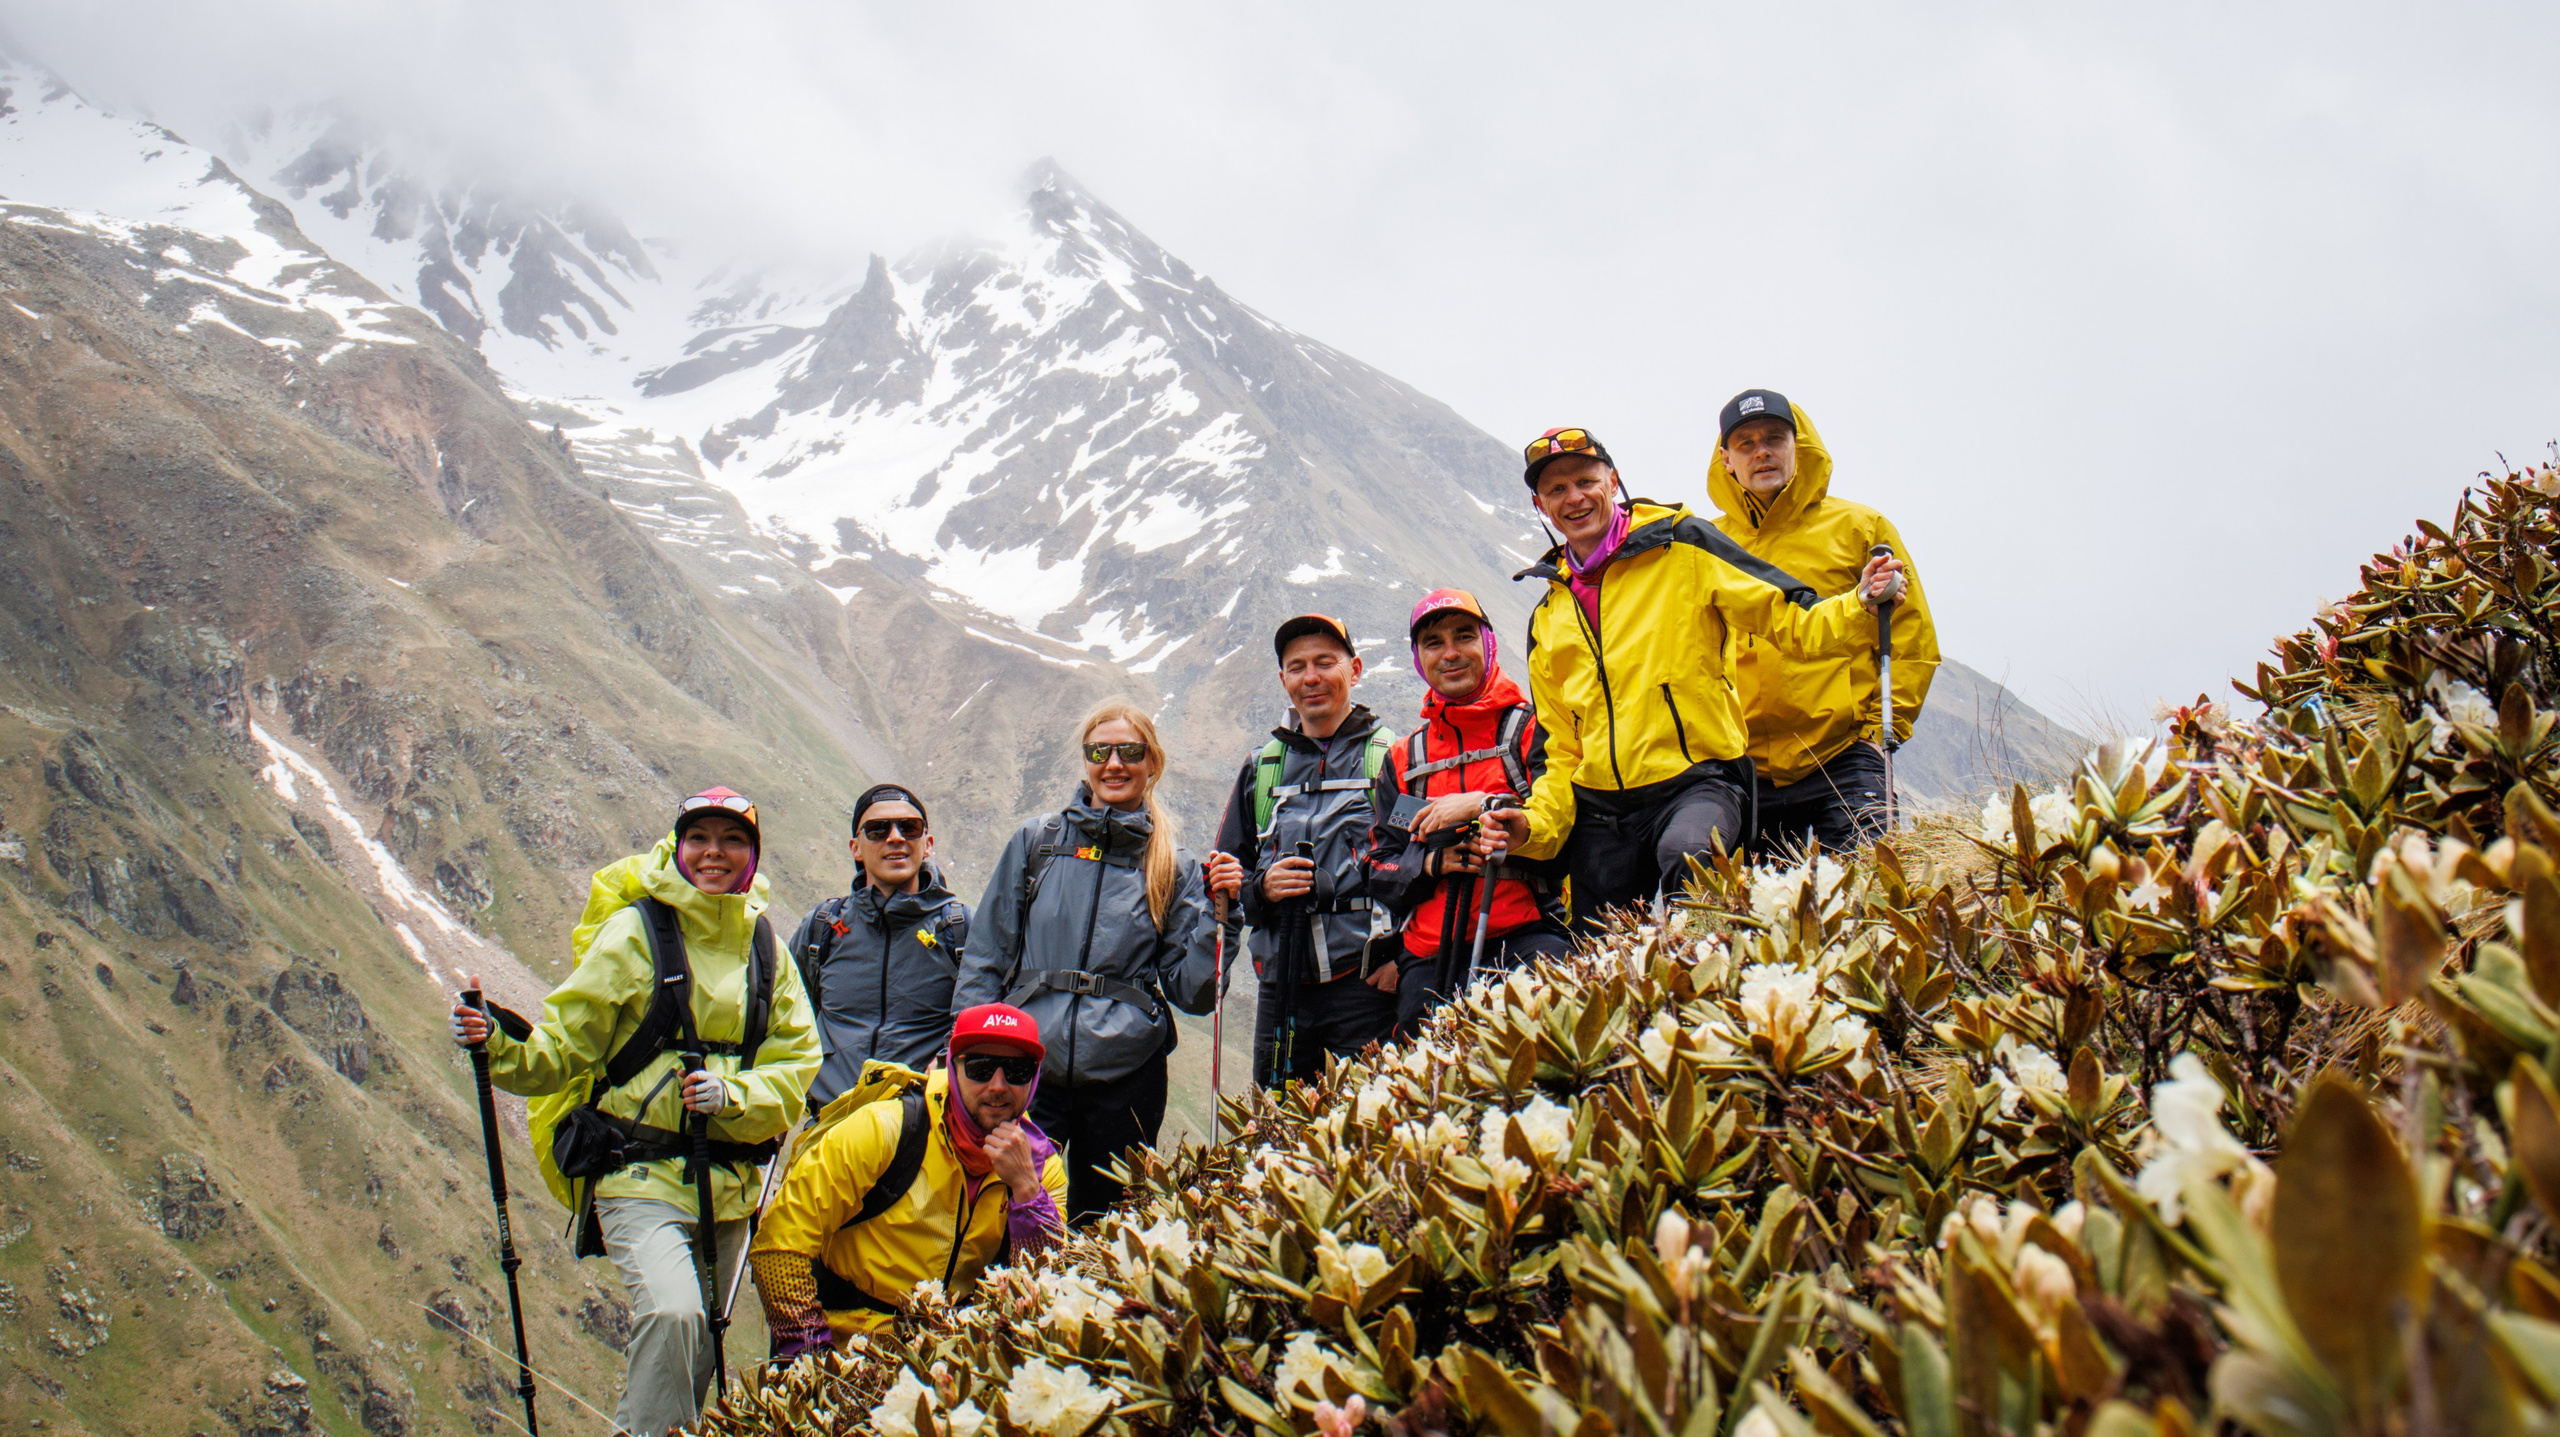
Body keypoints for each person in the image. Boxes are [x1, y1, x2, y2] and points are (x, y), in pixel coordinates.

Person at [449, 788, 817, 1437]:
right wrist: (498, 1045)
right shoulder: (634, 933)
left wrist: (731, 1097)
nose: (714, 852)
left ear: (752, 855)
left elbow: (796, 1063)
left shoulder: (767, 948)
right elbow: (565, 1045)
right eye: (699, 836)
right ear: (678, 845)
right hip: (636, 1176)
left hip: (730, 1187)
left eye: (732, 839)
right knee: (674, 1315)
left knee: (698, 1350)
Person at [1471, 429, 1905, 930]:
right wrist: (1536, 825)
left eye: (1586, 481)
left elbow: (1790, 616)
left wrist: (1860, 604)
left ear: (1613, 482)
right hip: (1601, 808)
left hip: (1699, 781)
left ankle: (1712, 988)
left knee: (1692, 857)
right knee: (1597, 942)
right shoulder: (1549, 613)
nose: (1574, 498)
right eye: (1556, 490)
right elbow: (1561, 750)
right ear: (1540, 504)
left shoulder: (1685, 545)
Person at [952, 702, 1243, 1223]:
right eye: (1099, 751)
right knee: (1002, 1214)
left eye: (1130, 751)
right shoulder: (1037, 841)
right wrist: (967, 1055)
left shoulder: (1173, 865)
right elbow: (987, 954)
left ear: (1152, 762)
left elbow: (1194, 992)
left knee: (1105, 1227)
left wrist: (1223, 920)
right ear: (1084, 761)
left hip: (1127, 1074)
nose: (1114, 763)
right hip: (1024, 1069)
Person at [749, 1004, 1068, 1352]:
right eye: (980, 1067)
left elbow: (1041, 1286)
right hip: (844, 1343)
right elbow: (779, 1243)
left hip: (949, 1357)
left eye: (1018, 1071)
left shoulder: (1040, 1167)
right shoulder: (885, 1127)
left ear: (1034, 1078)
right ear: (953, 1066)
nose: (998, 1085)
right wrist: (811, 1353)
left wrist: (1027, 1192)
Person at [1708, 390, 1939, 855]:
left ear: (1800, 446)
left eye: (1775, 438)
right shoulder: (1708, 543)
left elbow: (1910, 636)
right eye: (1746, 443)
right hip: (1746, 766)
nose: (1762, 451)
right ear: (1727, 459)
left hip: (1844, 752)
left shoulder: (1861, 528)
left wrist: (1879, 733)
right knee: (1759, 919)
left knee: (1874, 890)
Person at [1367, 589, 1571, 1033]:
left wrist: (1487, 807)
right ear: (1420, 659)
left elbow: (1569, 825)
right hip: (1429, 957)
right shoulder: (1403, 759)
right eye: (1434, 643)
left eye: (1464, 636)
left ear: (1489, 644)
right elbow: (1379, 865)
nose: (1451, 653)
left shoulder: (1534, 730)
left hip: (1528, 937)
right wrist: (1433, 863)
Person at [1210, 615, 1400, 1089]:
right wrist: (1262, 888)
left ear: (1353, 670)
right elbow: (1225, 878)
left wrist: (1405, 957)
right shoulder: (1262, 768)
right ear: (1283, 681)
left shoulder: (1393, 757)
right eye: (1296, 667)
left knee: (1371, 1131)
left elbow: (1417, 866)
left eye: (1324, 662)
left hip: (1369, 985)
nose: (1310, 678)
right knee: (1276, 1136)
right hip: (1282, 989)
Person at [789, 784, 969, 1108]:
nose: (896, 837)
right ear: (855, 848)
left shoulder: (961, 930)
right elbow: (786, 1023)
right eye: (877, 830)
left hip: (921, 1130)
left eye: (909, 828)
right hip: (830, 1124)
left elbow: (976, 1024)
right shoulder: (822, 928)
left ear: (927, 844)